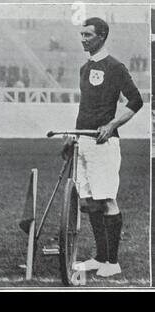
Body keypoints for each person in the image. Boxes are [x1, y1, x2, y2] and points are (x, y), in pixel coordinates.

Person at [63, 17, 143, 277]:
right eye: (81, 34)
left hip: (104, 143)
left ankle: (113, 262)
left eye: (88, 35)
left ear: (102, 36)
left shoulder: (115, 67)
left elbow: (136, 100)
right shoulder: (85, 68)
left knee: (107, 199)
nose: (83, 38)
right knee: (91, 202)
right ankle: (100, 257)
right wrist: (73, 134)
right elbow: (85, 107)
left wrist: (111, 124)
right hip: (83, 140)